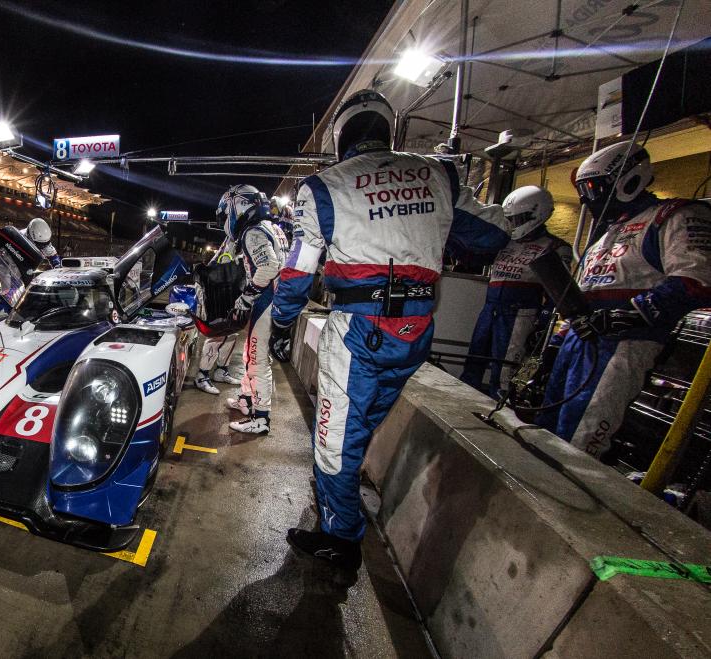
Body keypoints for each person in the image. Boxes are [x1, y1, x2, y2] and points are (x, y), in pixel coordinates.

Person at [268, 89, 510, 571]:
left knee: (335, 439)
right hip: (416, 329)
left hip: (358, 329)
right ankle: (339, 505)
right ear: (387, 129)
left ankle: (340, 542)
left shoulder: (322, 187)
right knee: (359, 426)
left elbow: (297, 272)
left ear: (342, 138)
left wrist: (280, 321)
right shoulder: (438, 172)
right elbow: (492, 234)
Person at [536, 141, 711, 459]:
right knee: (545, 425)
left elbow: (695, 279)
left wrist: (631, 314)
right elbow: (580, 293)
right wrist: (551, 350)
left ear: (627, 179)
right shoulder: (603, 236)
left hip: (626, 343)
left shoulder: (674, 216)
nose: (589, 198)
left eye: (594, 187)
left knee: (581, 440)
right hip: (580, 339)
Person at [461, 186, 572, 397]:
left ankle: (501, 406)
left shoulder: (554, 247)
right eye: (510, 219)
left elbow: (559, 292)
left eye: (518, 219)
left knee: (505, 369)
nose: (513, 225)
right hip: (490, 309)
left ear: (537, 214)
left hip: (520, 315)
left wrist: (544, 320)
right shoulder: (504, 242)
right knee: (474, 360)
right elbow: (475, 258)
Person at [218, 184, 288, 435]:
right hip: (277, 300)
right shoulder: (275, 227)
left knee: (257, 360)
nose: (226, 218)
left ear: (239, 206)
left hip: (266, 301)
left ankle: (261, 417)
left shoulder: (253, 232)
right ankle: (247, 402)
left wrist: (245, 299)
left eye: (227, 213)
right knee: (251, 354)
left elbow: (269, 266)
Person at [193, 245, 243, 395]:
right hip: (212, 312)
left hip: (228, 310)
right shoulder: (202, 272)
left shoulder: (227, 270)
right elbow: (201, 295)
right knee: (215, 338)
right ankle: (202, 375)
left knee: (231, 336)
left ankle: (221, 371)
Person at [0, 218, 61, 316]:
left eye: (45, 243)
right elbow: (3, 264)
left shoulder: (42, 240)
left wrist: (58, 267)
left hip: (28, 267)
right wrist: (8, 288)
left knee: (27, 293)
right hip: (8, 265)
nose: (43, 246)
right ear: (30, 236)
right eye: (40, 244)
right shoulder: (15, 239)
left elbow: (52, 255)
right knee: (7, 295)